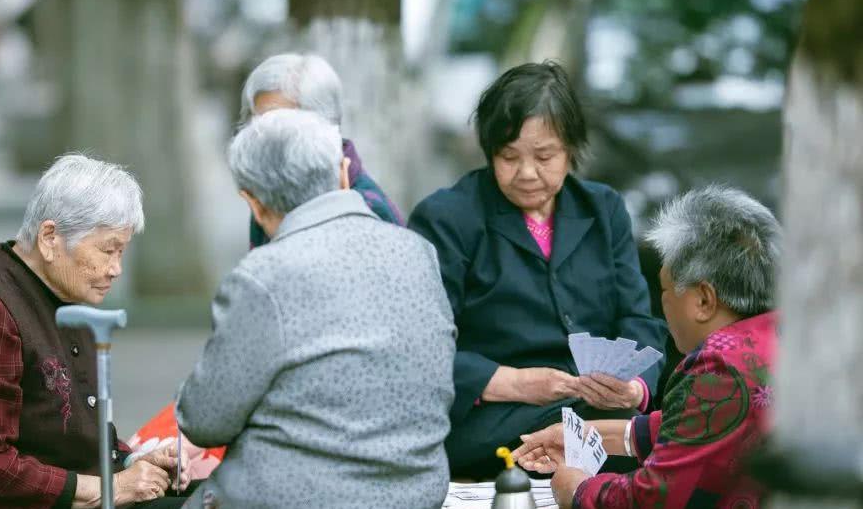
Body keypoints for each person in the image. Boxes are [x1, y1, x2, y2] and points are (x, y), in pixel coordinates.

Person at [175, 109, 456, 508]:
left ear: (253, 203)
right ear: (343, 173)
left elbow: (205, 421)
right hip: (415, 496)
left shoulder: (263, 275)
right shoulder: (418, 252)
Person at [407, 61, 667, 479]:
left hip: (597, 406)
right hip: (490, 416)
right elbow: (420, 344)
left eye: (544, 156)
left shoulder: (603, 210)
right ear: (489, 152)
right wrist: (516, 382)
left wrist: (634, 387)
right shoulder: (447, 218)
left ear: (571, 150)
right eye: (509, 157)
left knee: (644, 425)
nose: (527, 173)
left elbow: (638, 318)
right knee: (616, 435)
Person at [0, 154, 189, 509]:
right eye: (107, 250)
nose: (116, 268)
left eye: (122, 252)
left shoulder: (64, 291)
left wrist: (135, 463)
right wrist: (113, 488)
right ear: (50, 238)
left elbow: (76, 436)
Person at [513, 185, 781, 509]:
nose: (662, 302)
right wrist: (585, 434)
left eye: (665, 289)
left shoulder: (718, 366)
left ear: (703, 300)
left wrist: (577, 489)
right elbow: (693, 430)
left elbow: (653, 499)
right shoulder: (778, 336)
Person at [240, 53, 403, 246]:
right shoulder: (270, 191)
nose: (263, 138)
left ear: (326, 124)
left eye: (281, 124)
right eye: (258, 125)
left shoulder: (368, 210)